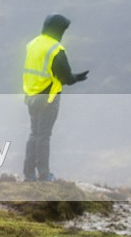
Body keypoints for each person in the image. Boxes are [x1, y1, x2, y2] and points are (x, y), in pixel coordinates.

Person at [22, 13, 88, 182]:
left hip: (31, 96)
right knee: (44, 136)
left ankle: (29, 174)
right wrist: (77, 78)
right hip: (48, 98)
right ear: (58, 29)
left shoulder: (33, 44)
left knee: (34, 134)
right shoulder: (55, 49)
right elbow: (66, 77)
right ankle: (44, 175)